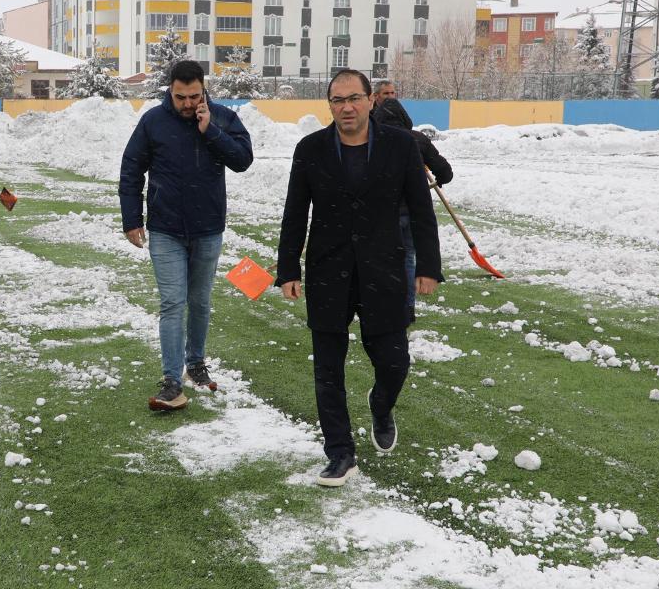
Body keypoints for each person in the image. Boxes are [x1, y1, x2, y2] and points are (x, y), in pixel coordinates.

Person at [276, 69, 443, 487]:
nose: (346, 107)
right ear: (329, 105)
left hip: (383, 269)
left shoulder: (401, 146)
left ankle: (381, 404)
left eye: (354, 98)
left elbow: (421, 210)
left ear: (371, 100)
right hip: (328, 270)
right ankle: (340, 453)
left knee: (394, 361)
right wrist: (287, 269)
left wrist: (428, 266)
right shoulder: (310, 149)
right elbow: (295, 213)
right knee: (327, 370)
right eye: (338, 100)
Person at [119, 60, 254, 411]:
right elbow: (131, 169)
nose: (188, 104)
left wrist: (211, 131)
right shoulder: (153, 121)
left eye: (194, 96)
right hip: (166, 229)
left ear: (203, 89)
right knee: (172, 303)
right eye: (181, 97)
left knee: (200, 301)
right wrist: (132, 219)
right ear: (171, 91)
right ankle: (171, 381)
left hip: (208, 228)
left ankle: (195, 363)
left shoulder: (222, 117)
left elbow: (243, 160)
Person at [370, 97, 453, 324]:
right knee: (407, 257)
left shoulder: (373, 140)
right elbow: (445, 171)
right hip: (412, 211)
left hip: (383, 213)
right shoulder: (417, 139)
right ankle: (406, 307)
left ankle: (383, 305)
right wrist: (439, 179)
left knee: (380, 260)